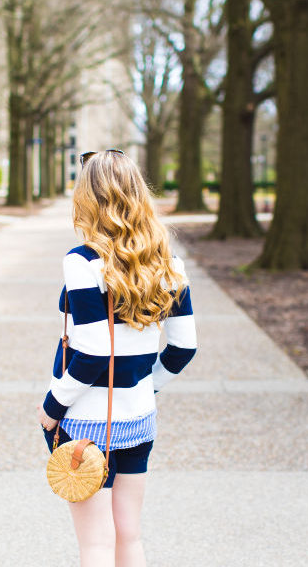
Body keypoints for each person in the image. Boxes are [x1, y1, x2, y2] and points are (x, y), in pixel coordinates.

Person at [36, 149, 197, 567]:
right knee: (129, 536)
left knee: (95, 545)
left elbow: (93, 352)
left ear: (87, 198)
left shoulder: (83, 261)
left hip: (88, 420)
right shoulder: (169, 263)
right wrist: (146, 382)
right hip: (140, 418)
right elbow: (183, 348)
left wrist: (51, 407)